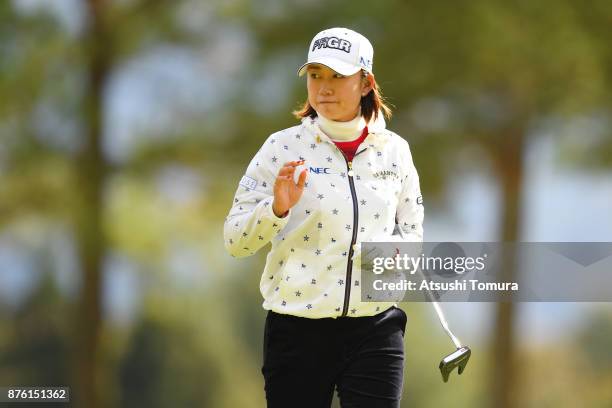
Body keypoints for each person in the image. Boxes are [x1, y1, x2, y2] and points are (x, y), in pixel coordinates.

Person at [224, 27, 424, 408]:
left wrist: (397, 259)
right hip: (297, 331)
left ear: (366, 83)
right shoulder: (280, 147)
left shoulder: (395, 152)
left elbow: (412, 230)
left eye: (338, 76)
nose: (324, 88)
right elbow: (235, 240)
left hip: (376, 327)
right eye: (316, 75)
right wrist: (276, 209)